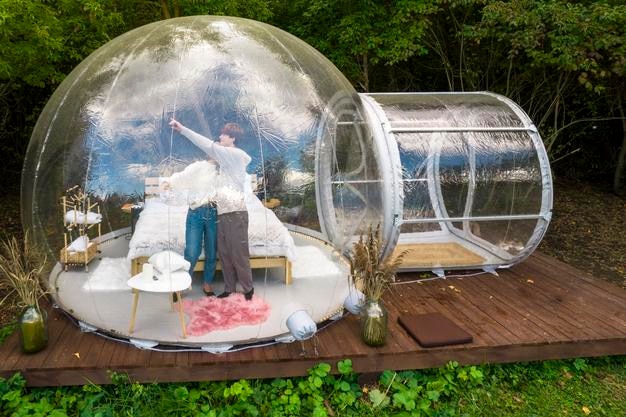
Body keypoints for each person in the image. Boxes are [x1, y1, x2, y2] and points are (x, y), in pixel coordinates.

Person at [169, 118, 255, 301]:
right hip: (220, 213)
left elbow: (207, 145)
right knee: (223, 253)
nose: (220, 137)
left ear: (232, 138)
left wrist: (183, 129)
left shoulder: (236, 154)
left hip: (236, 212)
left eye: (223, 134)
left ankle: (248, 289)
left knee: (238, 252)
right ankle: (229, 288)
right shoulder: (221, 165)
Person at [161, 160, 218, 296]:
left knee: (212, 250)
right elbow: (183, 176)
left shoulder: (224, 169)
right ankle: (183, 284)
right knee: (192, 251)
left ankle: (207, 283)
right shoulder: (199, 166)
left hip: (215, 213)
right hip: (196, 213)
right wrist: (169, 182)